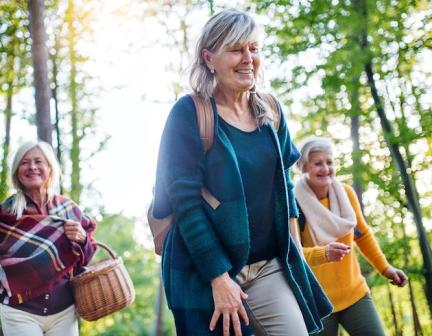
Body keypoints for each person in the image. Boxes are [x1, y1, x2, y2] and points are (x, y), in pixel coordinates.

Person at [151, 9, 332, 336]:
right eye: (236, 50)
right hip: (203, 270)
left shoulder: (271, 111)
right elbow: (186, 204)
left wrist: (295, 252)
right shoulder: (189, 114)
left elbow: (285, 185)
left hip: (267, 266)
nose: (248, 58)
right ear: (209, 57)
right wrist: (219, 278)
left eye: (254, 49)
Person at [0, 141, 97, 336]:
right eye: (25, 162)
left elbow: (85, 261)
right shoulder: (4, 214)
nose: (32, 167)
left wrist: (82, 240)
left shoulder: (69, 210)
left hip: (65, 313)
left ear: (50, 168)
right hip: (20, 313)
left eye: (39, 161)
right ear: (17, 171)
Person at [295, 137, 408, 336]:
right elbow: (294, 253)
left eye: (329, 162)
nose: (326, 169)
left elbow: (362, 235)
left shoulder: (345, 193)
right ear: (304, 167)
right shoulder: (294, 202)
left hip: (354, 293)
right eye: (318, 163)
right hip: (317, 302)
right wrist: (324, 253)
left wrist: (385, 268)